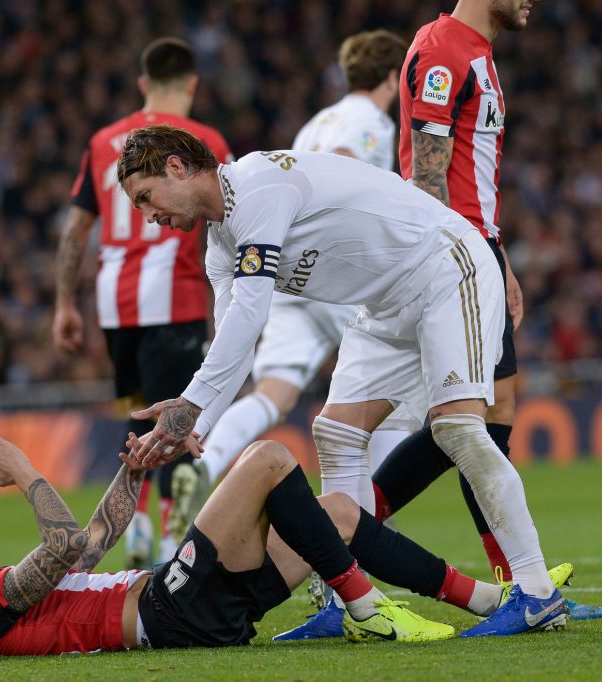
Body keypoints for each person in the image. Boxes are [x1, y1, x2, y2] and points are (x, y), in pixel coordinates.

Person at [118, 124, 567, 637]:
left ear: (176, 166)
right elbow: (235, 340)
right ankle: (350, 603)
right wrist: (195, 424)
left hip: (445, 266)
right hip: (384, 304)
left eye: (145, 198)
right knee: (336, 432)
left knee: (458, 430)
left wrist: (189, 407)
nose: (149, 216)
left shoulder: (258, 187)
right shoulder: (221, 245)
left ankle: (535, 592)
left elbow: (250, 315)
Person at [0, 429, 575, 653]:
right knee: (267, 458)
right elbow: (52, 551)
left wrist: (130, 471)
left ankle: (492, 602)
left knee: (336, 514)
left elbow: (82, 548)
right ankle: (364, 607)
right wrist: (25, 473)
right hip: (167, 613)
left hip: (185, 605)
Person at [379, 0, 602, 621]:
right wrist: (454, 259)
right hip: (447, 257)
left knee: (492, 411)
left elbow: (467, 177)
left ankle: (515, 584)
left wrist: (498, 258)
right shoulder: (444, 49)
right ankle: (344, 535)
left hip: (478, 249)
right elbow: (427, 178)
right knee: (461, 420)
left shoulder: (480, 52)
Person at [168, 30, 413, 544]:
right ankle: (367, 532)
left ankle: (204, 458)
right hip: (341, 272)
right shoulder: (370, 120)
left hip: (283, 275)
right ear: (393, 78)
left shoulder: (314, 122)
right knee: (393, 399)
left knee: (273, 394)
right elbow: (347, 164)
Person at [52, 37, 233, 568]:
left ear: (142, 83)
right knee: (176, 419)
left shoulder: (104, 139)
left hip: (114, 304)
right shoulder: (205, 140)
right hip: (173, 298)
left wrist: (65, 302)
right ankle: (173, 538)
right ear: (193, 83)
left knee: (135, 419)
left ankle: (140, 528)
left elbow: (75, 230)